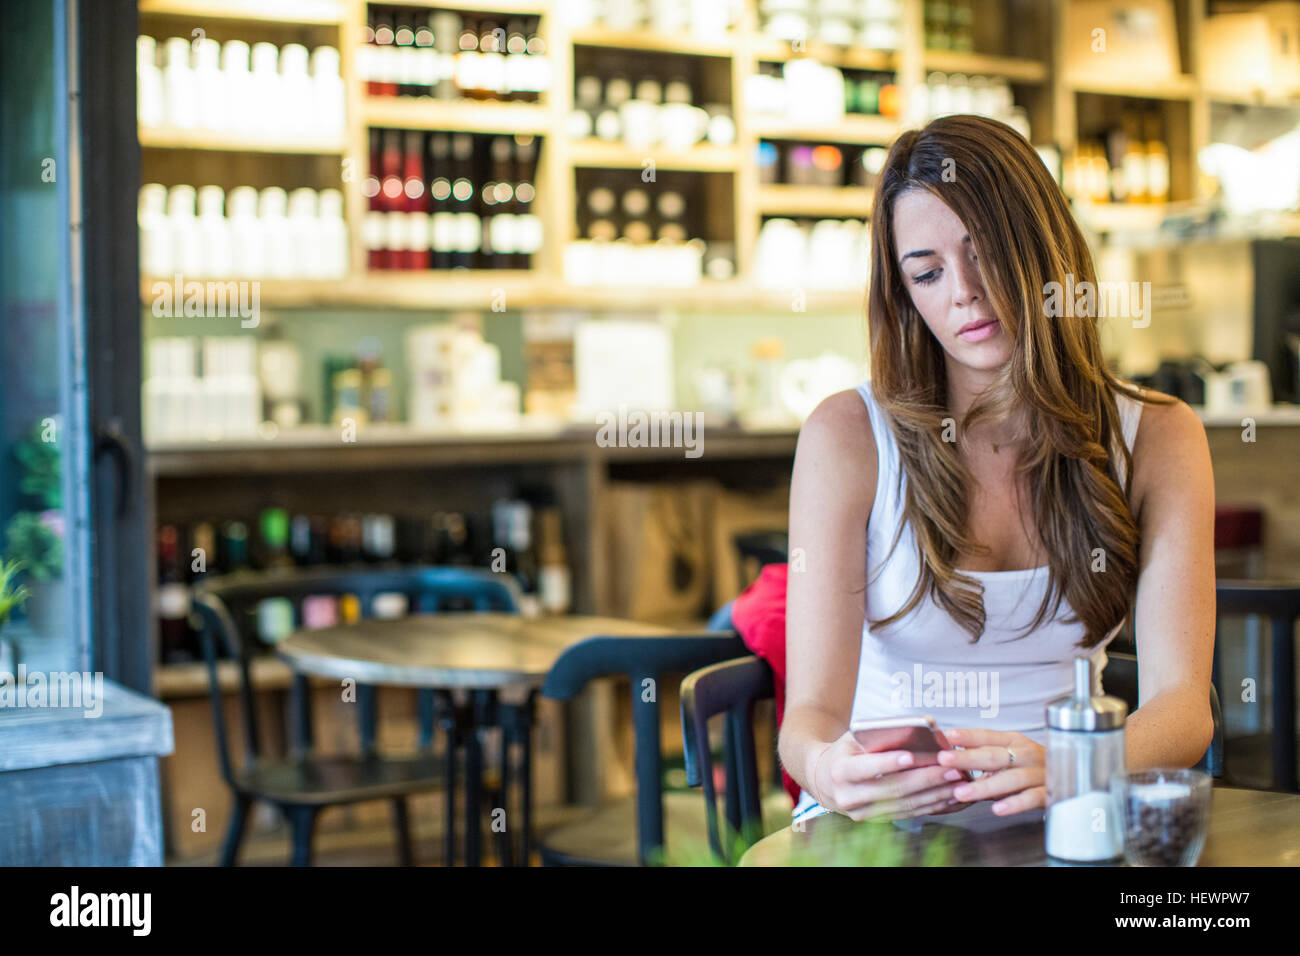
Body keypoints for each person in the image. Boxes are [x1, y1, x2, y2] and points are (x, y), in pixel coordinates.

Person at [779, 115, 1216, 824]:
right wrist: (827, 770)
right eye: (927, 272)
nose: (964, 292)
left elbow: (1184, 711)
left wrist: (1078, 765)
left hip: (1073, 809)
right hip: (885, 827)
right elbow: (811, 717)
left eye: (986, 255)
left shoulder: (1160, 437)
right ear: (905, 295)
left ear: (1044, 251)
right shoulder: (847, 435)